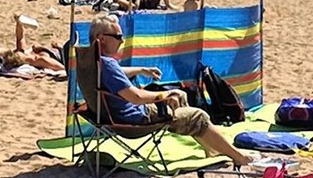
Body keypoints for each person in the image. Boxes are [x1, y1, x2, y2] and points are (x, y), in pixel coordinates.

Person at [88, 14, 250, 166]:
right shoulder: (108, 64)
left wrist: (141, 69)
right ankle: (238, 157)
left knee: (180, 95)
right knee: (198, 115)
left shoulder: (93, 60)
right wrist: (163, 95)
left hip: (107, 114)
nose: (122, 41)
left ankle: (210, 145)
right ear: (101, 39)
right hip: (134, 118)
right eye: (117, 37)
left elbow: (116, 73)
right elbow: (136, 97)